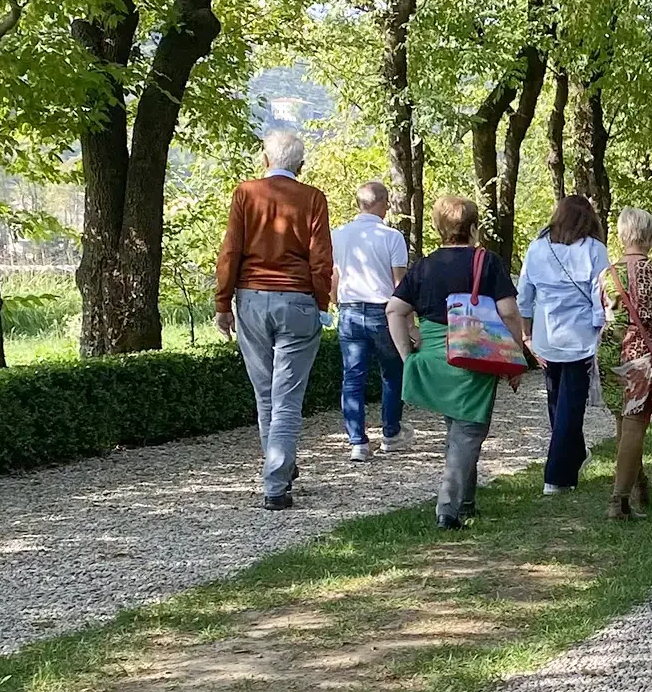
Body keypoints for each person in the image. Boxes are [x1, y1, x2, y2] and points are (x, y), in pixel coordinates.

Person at [386, 195, 523, 529]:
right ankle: (447, 509)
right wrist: (514, 355)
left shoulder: (424, 265)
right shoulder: (486, 262)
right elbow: (507, 312)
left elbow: (394, 309)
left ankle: (467, 502)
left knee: (458, 425)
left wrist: (408, 356)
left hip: (434, 354)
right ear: (474, 228)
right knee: (469, 429)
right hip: (474, 351)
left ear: (438, 228)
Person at [216, 130, 335, 511]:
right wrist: (321, 303)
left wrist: (223, 303)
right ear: (300, 165)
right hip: (298, 300)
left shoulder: (245, 194)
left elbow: (231, 249)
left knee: (265, 394)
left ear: (265, 160)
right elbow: (321, 259)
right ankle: (277, 479)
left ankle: (278, 468)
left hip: (251, 299)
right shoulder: (313, 198)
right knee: (287, 398)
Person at [516, 195, 609, 496]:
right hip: (581, 337)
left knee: (557, 402)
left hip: (547, 336)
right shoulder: (595, 250)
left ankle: (575, 455)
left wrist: (527, 336)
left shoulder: (537, 248)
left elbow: (525, 296)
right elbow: (602, 296)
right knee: (570, 406)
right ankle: (556, 476)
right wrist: (601, 330)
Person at [599, 207, 652, 520]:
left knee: (623, 421)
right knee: (635, 424)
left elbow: (603, 315)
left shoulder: (606, 274)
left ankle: (638, 483)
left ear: (622, 236)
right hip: (641, 355)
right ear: (649, 236)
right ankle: (618, 501)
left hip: (609, 352)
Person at [332, 181, 409, 461]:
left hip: (350, 310)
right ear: (382, 203)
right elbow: (400, 282)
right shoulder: (391, 236)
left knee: (352, 377)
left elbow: (335, 275)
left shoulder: (338, 234)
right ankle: (390, 434)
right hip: (383, 310)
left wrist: (335, 301)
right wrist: (409, 321)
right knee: (392, 373)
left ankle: (358, 442)